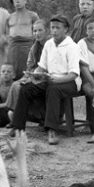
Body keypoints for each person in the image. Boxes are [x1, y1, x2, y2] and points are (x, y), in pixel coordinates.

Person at [10, 15, 81, 145]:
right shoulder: (49, 44)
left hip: (68, 82)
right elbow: (42, 67)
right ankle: (18, 127)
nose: (54, 31)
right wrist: (32, 76)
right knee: (26, 88)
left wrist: (55, 80)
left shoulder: (72, 46)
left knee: (53, 89)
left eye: (57, 28)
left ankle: (52, 130)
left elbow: (74, 74)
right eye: (52, 27)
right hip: (50, 79)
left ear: (66, 29)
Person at [6, 0, 39, 80]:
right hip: (13, 48)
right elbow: (6, 34)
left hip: (27, 46)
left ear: (26, 1)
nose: (17, 1)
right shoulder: (9, 17)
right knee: (12, 71)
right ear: (12, 2)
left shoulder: (32, 15)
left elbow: (38, 33)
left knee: (28, 70)